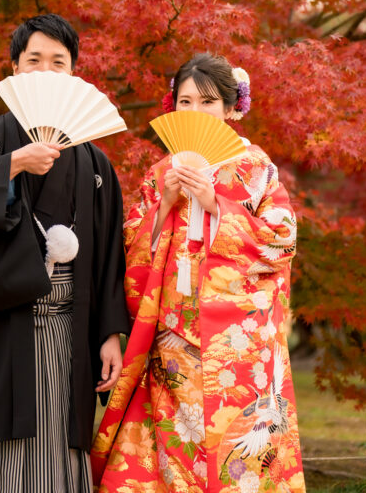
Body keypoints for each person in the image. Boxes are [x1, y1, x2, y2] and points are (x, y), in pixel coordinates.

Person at [0, 13, 129, 493]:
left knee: (59, 445)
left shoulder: (95, 163)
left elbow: (106, 258)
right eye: (33, 59)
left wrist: (110, 333)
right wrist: (13, 164)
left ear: (74, 73)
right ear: (14, 68)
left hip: (70, 329)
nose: (45, 69)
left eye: (58, 61)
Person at [92, 52, 306, 493]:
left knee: (238, 451)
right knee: (173, 447)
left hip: (239, 343)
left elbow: (282, 241)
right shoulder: (160, 172)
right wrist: (164, 204)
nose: (195, 112)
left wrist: (216, 205)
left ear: (231, 108)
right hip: (172, 334)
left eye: (207, 102)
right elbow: (130, 246)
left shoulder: (257, 168)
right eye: (185, 102)